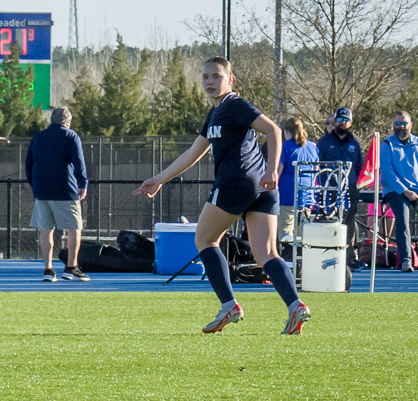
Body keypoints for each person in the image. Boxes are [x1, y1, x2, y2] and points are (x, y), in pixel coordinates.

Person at [134, 57, 311, 335]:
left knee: (204, 239)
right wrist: (159, 179)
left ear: (231, 80)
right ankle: (295, 306)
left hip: (237, 185)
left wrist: (273, 169)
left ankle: (228, 304)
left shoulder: (235, 105)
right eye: (205, 77)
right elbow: (193, 154)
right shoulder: (214, 115)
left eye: (216, 76)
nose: (209, 82)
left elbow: (273, 130)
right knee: (266, 253)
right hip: (261, 188)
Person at [25, 106, 89, 281]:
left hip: (42, 191)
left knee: (46, 230)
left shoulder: (38, 137)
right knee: (74, 228)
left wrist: (35, 186)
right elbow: (79, 162)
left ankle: (48, 269)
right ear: (67, 121)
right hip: (65, 190)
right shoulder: (71, 136)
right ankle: (71, 267)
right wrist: (82, 184)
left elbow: (29, 164)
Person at [317, 106, 365, 270]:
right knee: (331, 224)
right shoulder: (324, 142)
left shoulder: (354, 144)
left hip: (349, 190)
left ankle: (349, 259)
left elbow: (360, 168)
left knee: (349, 225)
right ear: (334, 121)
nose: (342, 122)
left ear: (350, 123)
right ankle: (330, 258)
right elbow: (318, 167)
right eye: (340, 119)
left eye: (346, 120)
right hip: (329, 191)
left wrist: (353, 184)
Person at [380, 111, 418, 272]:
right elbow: (387, 172)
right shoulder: (387, 144)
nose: (401, 127)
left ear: (410, 124)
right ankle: (405, 260)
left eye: (404, 123)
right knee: (403, 220)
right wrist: (404, 190)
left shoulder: (416, 143)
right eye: (397, 123)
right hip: (396, 190)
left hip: (416, 188)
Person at [277, 116, 319, 253]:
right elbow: (316, 170)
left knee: (286, 233)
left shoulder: (285, 147)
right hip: (307, 196)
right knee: (304, 235)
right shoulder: (313, 147)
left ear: (286, 131)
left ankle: (288, 262)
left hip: (287, 194)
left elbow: (278, 170)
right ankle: (303, 264)